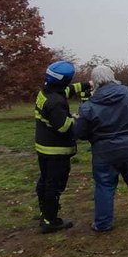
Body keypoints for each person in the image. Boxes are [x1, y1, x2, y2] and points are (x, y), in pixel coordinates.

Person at [74, 66, 128, 231]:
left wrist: (89, 135)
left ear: (94, 82)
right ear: (112, 76)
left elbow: (80, 132)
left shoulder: (88, 105)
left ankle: (103, 223)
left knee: (104, 185)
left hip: (104, 152)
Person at [34, 60, 91, 234]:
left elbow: (67, 90)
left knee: (45, 181)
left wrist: (86, 85)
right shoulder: (56, 102)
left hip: (43, 147)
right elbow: (64, 127)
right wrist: (78, 118)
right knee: (54, 184)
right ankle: (50, 220)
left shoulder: (46, 92)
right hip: (56, 151)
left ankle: (45, 212)